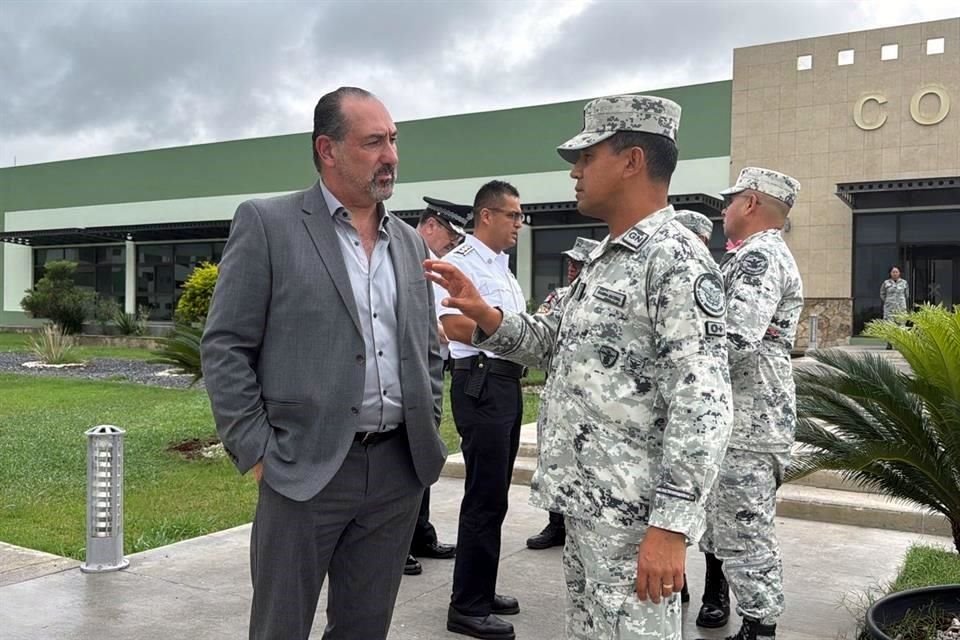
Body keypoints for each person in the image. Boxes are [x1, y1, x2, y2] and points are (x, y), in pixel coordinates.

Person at [427, 95, 733, 640]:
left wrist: (671, 526)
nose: (575, 171)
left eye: (587, 156)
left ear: (632, 161)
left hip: (636, 520)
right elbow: (550, 341)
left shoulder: (675, 260)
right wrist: (488, 319)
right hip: (589, 509)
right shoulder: (605, 261)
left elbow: (703, 404)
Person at [200, 86, 447, 640]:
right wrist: (257, 449)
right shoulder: (268, 224)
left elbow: (426, 347)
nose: (392, 156)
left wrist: (426, 419)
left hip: (395, 473)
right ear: (327, 149)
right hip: (302, 468)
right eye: (374, 142)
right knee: (280, 627)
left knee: (365, 629)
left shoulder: (409, 242)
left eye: (394, 140)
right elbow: (225, 345)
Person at [698, 167, 804, 640]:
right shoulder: (748, 257)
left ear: (752, 203)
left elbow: (736, 337)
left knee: (746, 529)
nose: (724, 211)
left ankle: (760, 627)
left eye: (731, 200)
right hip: (741, 417)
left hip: (750, 421)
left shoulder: (759, 259)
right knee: (728, 525)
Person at [440, 180, 527, 640]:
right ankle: (467, 607)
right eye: (512, 215)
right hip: (480, 381)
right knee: (483, 493)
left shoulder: (504, 272)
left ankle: (480, 586)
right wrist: (501, 335)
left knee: (495, 494)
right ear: (486, 216)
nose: (519, 224)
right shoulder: (458, 264)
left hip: (506, 383)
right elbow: (450, 323)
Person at [404, 197, 470, 576]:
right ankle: (399, 542)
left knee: (425, 452)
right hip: (404, 375)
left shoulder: (434, 264)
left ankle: (420, 533)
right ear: (430, 225)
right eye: (450, 233)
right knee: (403, 461)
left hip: (430, 371)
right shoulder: (402, 258)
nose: (454, 243)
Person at [526, 236, 599, 553]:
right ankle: (556, 524)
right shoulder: (558, 298)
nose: (572, 267)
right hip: (559, 393)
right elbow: (541, 337)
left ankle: (583, 523)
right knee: (554, 458)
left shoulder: (601, 297)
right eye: (570, 261)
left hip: (592, 396)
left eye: (579, 262)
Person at [880, 266, 909, 348]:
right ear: (890, 273)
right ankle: (889, 343)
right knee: (889, 325)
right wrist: (888, 301)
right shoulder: (886, 283)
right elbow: (882, 294)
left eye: (896, 272)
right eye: (893, 272)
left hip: (900, 308)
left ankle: (899, 344)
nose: (895, 274)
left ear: (899, 273)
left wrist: (900, 301)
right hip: (889, 308)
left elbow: (906, 294)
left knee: (901, 326)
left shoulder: (904, 283)